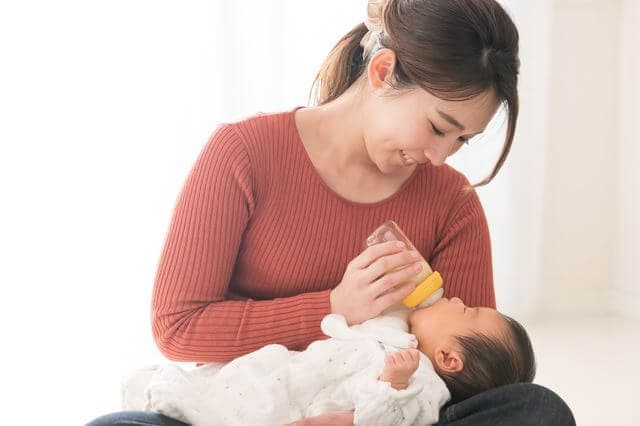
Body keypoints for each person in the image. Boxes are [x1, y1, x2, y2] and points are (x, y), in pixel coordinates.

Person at [87, 0, 575, 424]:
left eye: (461, 140)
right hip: (247, 410)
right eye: (436, 127)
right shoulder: (243, 154)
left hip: (377, 414)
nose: (441, 157)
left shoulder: (452, 202)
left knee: (536, 410)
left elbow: (468, 379)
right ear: (383, 72)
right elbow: (178, 327)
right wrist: (334, 308)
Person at [117, 297, 535, 426]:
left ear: (448, 357)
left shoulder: (422, 381)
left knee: (537, 409)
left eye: (467, 313)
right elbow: (178, 327)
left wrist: (392, 382)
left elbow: (381, 417)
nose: (459, 299)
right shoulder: (397, 332)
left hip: (295, 410)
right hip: (283, 373)